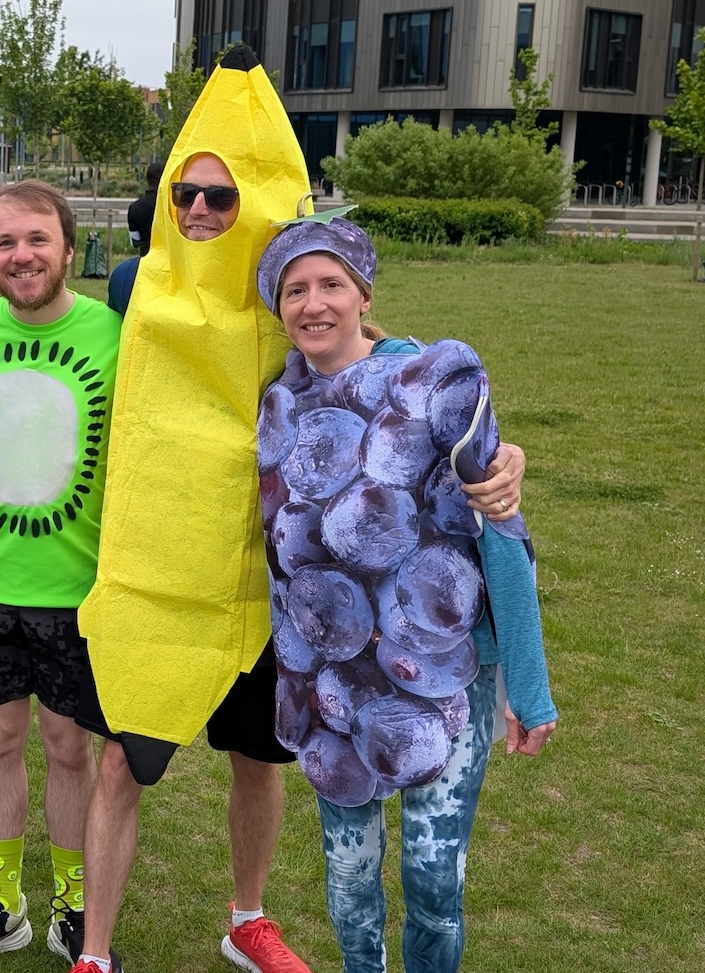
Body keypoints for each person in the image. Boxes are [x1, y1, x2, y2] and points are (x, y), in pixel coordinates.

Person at [72, 48, 526, 973]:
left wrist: (501, 456)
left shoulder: (295, 302)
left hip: (287, 601)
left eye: (223, 196)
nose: (200, 210)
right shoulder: (134, 288)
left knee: (261, 764)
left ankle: (247, 918)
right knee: (123, 758)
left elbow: (390, 370)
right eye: (185, 193)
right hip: (164, 586)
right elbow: (43, 318)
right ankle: (97, 951)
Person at [255, 215, 557, 973]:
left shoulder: (431, 384)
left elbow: (501, 530)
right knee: (350, 880)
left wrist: (529, 686)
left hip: (443, 677)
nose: (314, 304)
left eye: (331, 285)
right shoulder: (275, 407)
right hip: (327, 685)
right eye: (295, 290)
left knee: (431, 876)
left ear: (363, 293)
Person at [0, 181, 123, 973]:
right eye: (5, 243)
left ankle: (73, 906)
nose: (22, 256)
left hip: (78, 587)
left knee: (68, 747)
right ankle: (4, 906)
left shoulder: (116, 334)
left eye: (37, 239)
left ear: (69, 247)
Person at [125, 162, 162, 257]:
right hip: (169, 260)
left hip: (145, 259)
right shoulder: (171, 205)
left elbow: (135, 242)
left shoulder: (134, 207)